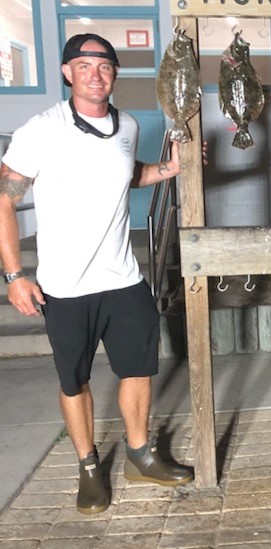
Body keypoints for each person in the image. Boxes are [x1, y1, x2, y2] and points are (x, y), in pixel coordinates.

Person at [0, 34, 195, 514]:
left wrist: (167, 169)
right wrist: (14, 275)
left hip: (124, 278)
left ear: (115, 73)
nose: (95, 73)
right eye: (84, 65)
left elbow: (126, 174)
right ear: (67, 72)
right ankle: (89, 466)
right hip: (65, 286)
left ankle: (139, 454)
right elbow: (5, 199)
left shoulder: (126, 125)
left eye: (104, 65)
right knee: (75, 380)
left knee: (139, 369)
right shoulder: (41, 130)